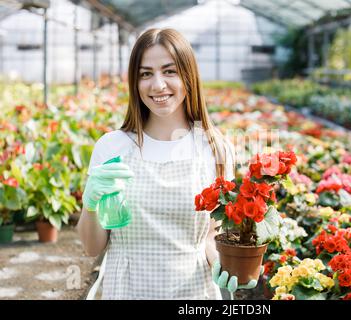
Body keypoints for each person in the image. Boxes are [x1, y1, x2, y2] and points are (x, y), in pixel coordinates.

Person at [77, 28, 260, 300]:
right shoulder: (112, 146)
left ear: (188, 76)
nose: (158, 85)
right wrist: (90, 206)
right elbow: (93, 248)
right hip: (127, 289)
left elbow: (209, 237)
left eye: (169, 71)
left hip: (193, 292)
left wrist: (227, 265)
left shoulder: (214, 148)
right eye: (146, 73)